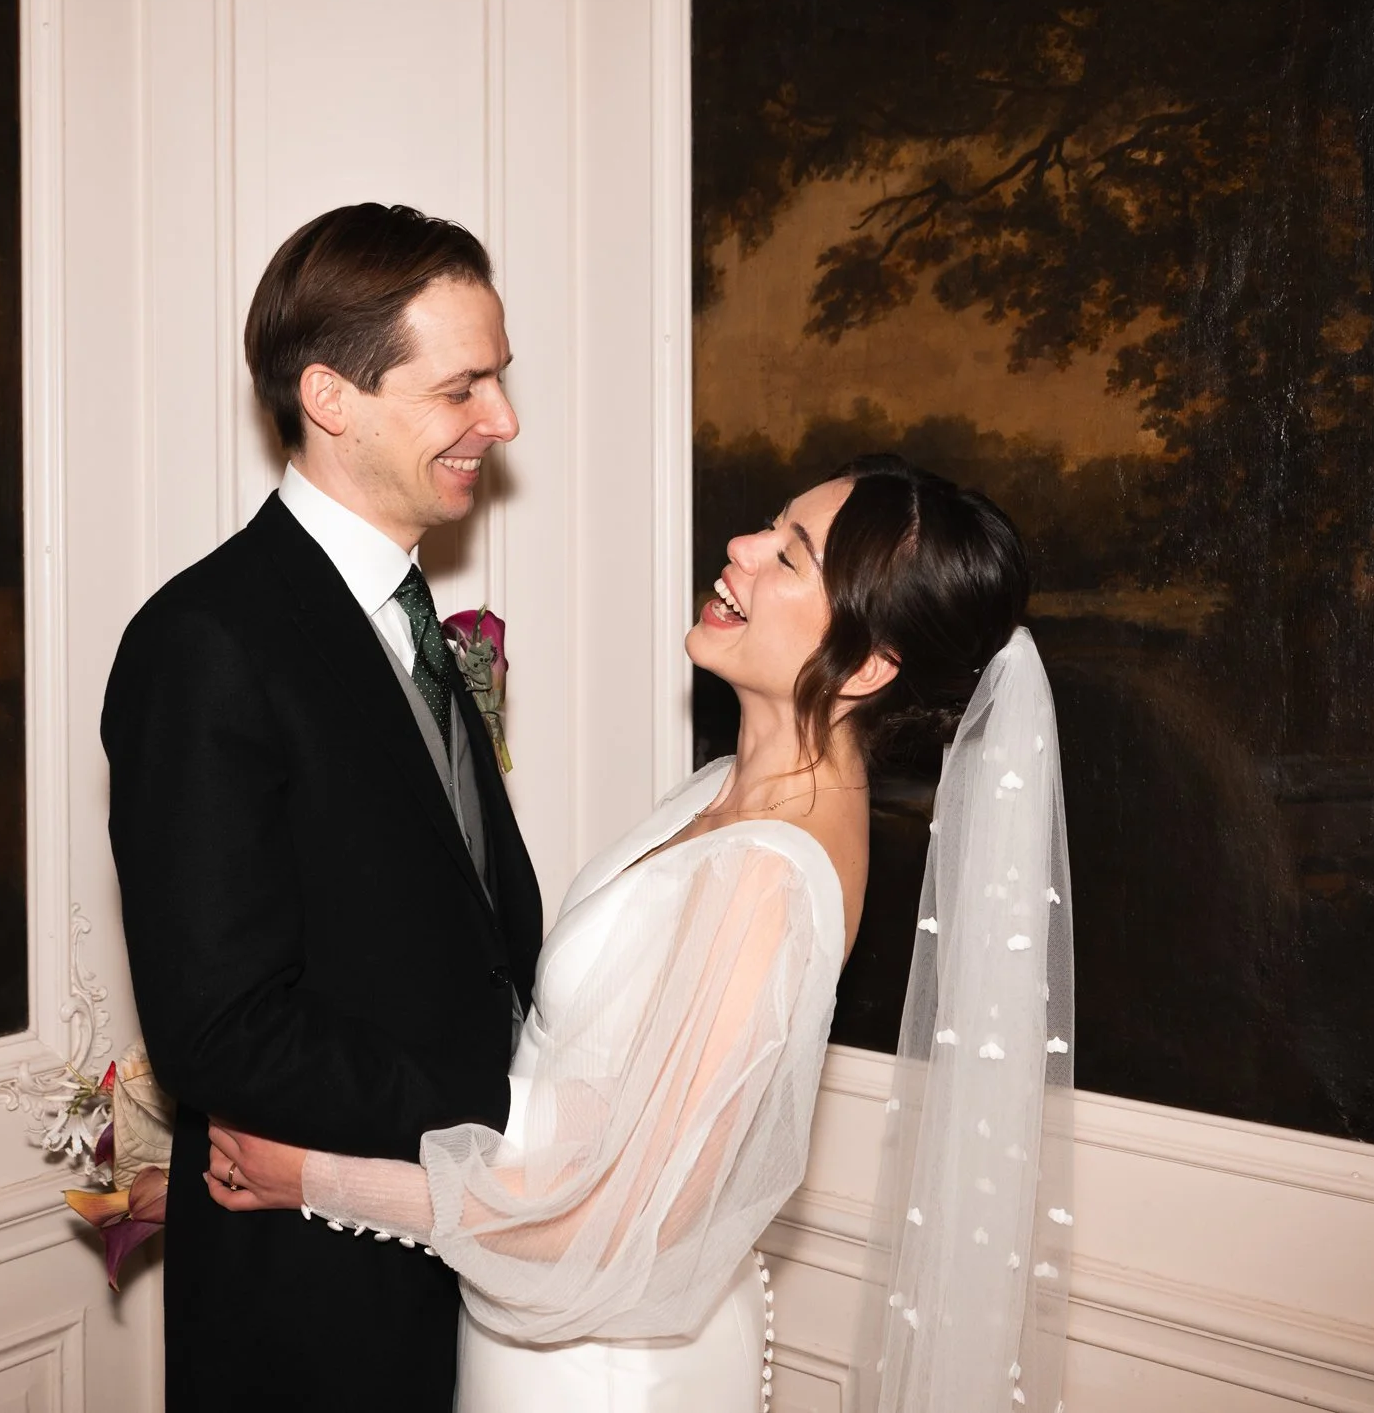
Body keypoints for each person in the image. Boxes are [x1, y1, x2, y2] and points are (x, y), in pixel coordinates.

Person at [204, 455, 1075, 1413]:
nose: (741, 548)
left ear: (868, 664)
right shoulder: (722, 795)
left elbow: (616, 1219)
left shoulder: (768, 882)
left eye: (790, 555)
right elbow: (588, 1096)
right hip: (536, 1321)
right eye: (769, 525)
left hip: (604, 1368)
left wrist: (316, 1180)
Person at [102, 203, 545, 1412]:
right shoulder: (206, 641)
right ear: (332, 397)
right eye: (463, 387)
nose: (500, 420)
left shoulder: (409, 617)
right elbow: (224, 1024)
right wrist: (516, 1118)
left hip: (456, 1256)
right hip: (312, 1302)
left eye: (498, 379)